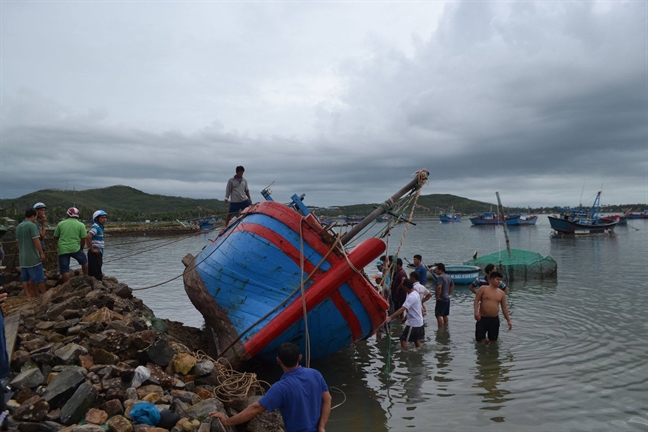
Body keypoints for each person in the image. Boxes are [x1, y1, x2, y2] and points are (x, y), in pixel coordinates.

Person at [209, 342, 331, 432]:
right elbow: (327, 399)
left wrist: (226, 421)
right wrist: (321, 426)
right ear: (299, 357)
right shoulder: (315, 374)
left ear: (278, 360)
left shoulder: (280, 388)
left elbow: (255, 409)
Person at [15, 209, 46, 299]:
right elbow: (36, 240)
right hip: (32, 256)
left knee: (25, 278)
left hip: (23, 257)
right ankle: (45, 295)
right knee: (39, 277)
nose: (36, 218)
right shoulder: (32, 226)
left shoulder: (19, 226)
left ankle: (29, 296)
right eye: (35, 216)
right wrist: (41, 253)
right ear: (33, 216)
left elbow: (17, 242)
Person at [474, 271, 512, 343]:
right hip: (482, 319)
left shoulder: (501, 293)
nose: (499, 282)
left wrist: (509, 320)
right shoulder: (483, 289)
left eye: (500, 280)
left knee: (493, 341)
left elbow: (504, 308)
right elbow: (476, 300)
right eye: (497, 279)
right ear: (491, 279)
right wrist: (476, 312)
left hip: (494, 320)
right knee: (480, 340)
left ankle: (492, 353)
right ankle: (483, 352)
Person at [385, 279, 424, 349]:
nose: (402, 287)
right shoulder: (415, 293)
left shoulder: (411, 297)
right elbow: (413, 309)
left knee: (403, 339)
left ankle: (405, 355)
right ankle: (420, 352)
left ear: (405, 287)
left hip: (413, 324)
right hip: (419, 322)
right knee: (415, 339)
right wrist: (405, 318)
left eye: (402, 286)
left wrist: (390, 317)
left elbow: (402, 309)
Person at [53, 207, 88, 282]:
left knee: (65, 270)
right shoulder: (81, 225)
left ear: (68, 214)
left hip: (63, 249)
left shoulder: (61, 224)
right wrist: (81, 248)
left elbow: (56, 236)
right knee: (84, 262)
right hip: (75, 248)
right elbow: (83, 239)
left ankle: (67, 285)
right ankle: (86, 277)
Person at [86, 210, 107, 281]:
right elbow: (88, 236)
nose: (104, 220)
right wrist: (92, 249)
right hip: (95, 253)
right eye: (102, 218)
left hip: (98, 252)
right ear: (96, 219)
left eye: (105, 218)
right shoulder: (96, 226)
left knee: (97, 269)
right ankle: (97, 288)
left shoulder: (99, 226)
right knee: (96, 273)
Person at [433, 263, 454, 328]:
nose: (435, 271)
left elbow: (439, 287)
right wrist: (448, 293)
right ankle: (446, 327)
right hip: (447, 298)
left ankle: (440, 329)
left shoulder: (440, 277)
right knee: (445, 315)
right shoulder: (448, 276)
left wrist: (438, 297)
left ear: (440, 270)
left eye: (436, 269)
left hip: (441, 299)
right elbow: (452, 285)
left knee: (438, 315)